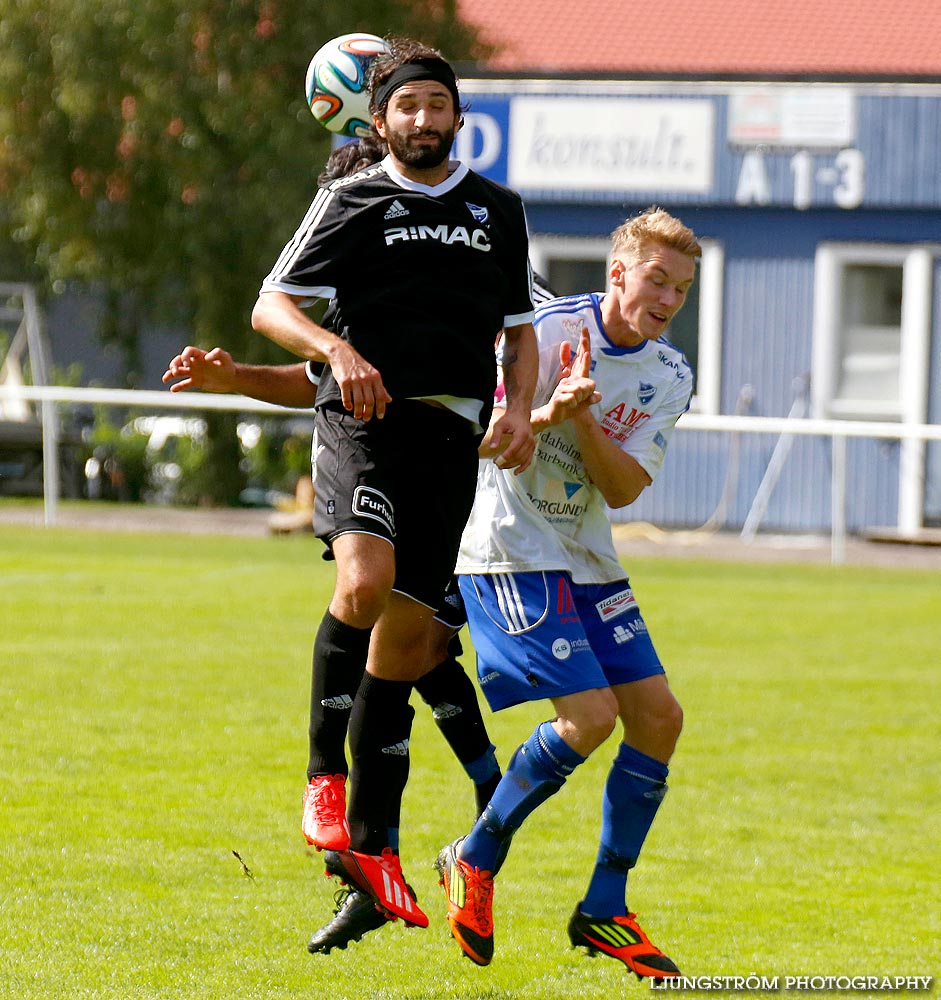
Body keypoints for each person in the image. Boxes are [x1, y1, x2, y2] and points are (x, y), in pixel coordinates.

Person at [250, 35, 539, 932]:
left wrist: (519, 408)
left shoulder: (498, 209)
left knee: (406, 650)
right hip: (362, 421)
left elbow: (519, 331)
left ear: (458, 117)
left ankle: (371, 859)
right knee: (363, 585)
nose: (423, 120)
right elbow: (273, 304)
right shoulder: (350, 196)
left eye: (437, 106)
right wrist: (338, 351)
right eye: (406, 108)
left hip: (450, 437)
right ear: (379, 124)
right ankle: (323, 783)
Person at [434, 207, 701, 981]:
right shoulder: (542, 333)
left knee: (658, 719)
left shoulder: (668, 373)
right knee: (590, 718)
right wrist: (550, 409)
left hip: (585, 553)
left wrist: (581, 423)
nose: (666, 299)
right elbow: (486, 439)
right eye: (656, 279)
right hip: (508, 547)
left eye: (680, 289)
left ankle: (604, 908)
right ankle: (474, 856)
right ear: (617, 272)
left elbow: (621, 488)